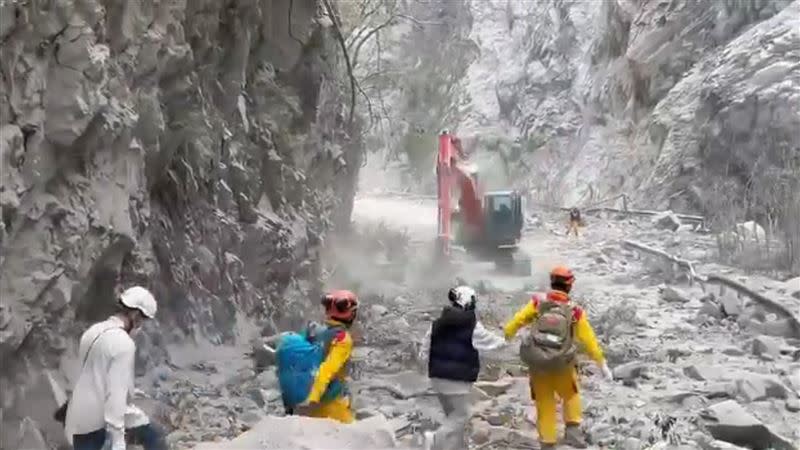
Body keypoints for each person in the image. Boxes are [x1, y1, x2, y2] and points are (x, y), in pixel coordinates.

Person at [503, 267, 613, 450]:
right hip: (564, 365)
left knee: (544, 402)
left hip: (539, 365)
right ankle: (573, 432)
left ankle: (547, 442)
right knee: (571, 394)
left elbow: (516, 322)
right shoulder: (575, 311)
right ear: (570, 286)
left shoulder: (538, 303)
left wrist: (506, 336)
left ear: (551, 282)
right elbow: (589, 341)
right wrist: (602, 364)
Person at [65, 286, 167, 450]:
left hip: (76, 418)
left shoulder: (92, 331)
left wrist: (131, 391)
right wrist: (118, 440)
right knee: (155, 436)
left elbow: (94, 372)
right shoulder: (123, 343)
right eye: (142, 321)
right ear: (135, 315)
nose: (141, 327)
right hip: (99, 421)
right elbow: (115, 397)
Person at [419, 286, 506, 450]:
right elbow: (490, 342)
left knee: (451, 417)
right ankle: (435, 439)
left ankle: (453, 447)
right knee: (462, 415)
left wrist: (426, 363)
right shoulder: (471, 325)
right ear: (468, 302)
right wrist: (506, 339)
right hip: (457, 381)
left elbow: (425, 347)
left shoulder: (437, 323)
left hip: (436, 378)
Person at [296, 289, 359, 423]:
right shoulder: (343, 339)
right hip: (330, 404)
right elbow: (327, 369)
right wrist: (312, 398)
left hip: (306, 396)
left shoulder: (318, 332)